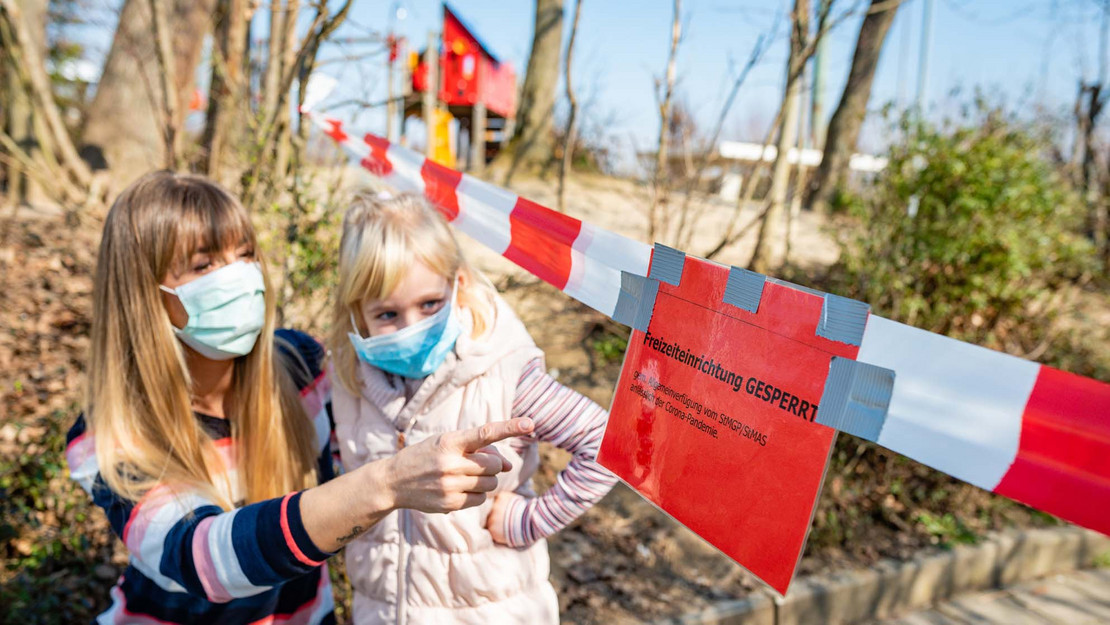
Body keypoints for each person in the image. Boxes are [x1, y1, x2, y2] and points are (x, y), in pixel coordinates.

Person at [65, 171, 532, 624]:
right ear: (143, 294)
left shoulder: (303, 367)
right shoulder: (109, 434)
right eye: (204, 264)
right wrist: (387, 483)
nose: (239, 277)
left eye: (245, 254)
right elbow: (204, 559)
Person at [328, 192, 618, 624]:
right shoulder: (348, 382)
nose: (413, 326)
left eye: (429, 304)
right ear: (357, 313)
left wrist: (530, 520)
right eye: (387, 314)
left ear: (458, 284)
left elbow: (606, 443)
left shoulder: (503, 375)